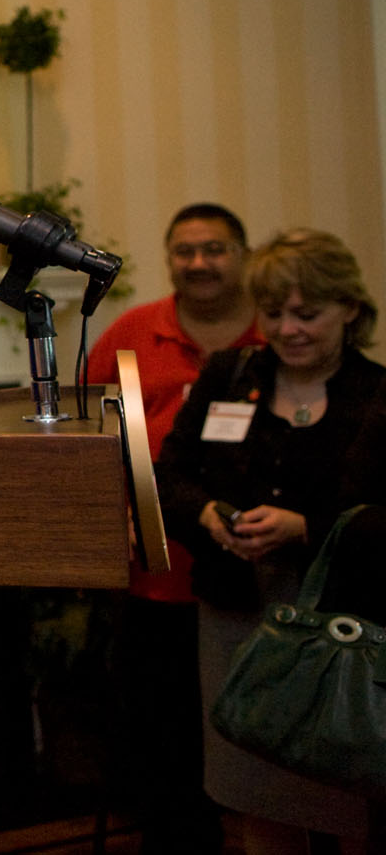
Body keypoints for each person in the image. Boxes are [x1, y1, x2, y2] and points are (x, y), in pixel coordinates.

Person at [156, 228, 386, 854]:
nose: (288, 330)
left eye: (307, 314)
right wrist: (206, 515)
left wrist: (305, 528)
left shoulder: (378, 394)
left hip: (343, 626)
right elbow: (170, 474)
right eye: (275, 313)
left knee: (346, 794)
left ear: (352, 310)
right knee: (251, 791)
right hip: (236, 615)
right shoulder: (230, 376)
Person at [85, 203, 261, 852]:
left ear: (243, 253)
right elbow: (86, 436)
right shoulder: (132, 333)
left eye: (214, 248)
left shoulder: (281, 330)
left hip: (259, 576)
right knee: (165, 733)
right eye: (185, 251)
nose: (199, 263)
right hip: (157, 577)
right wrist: (115, 513)